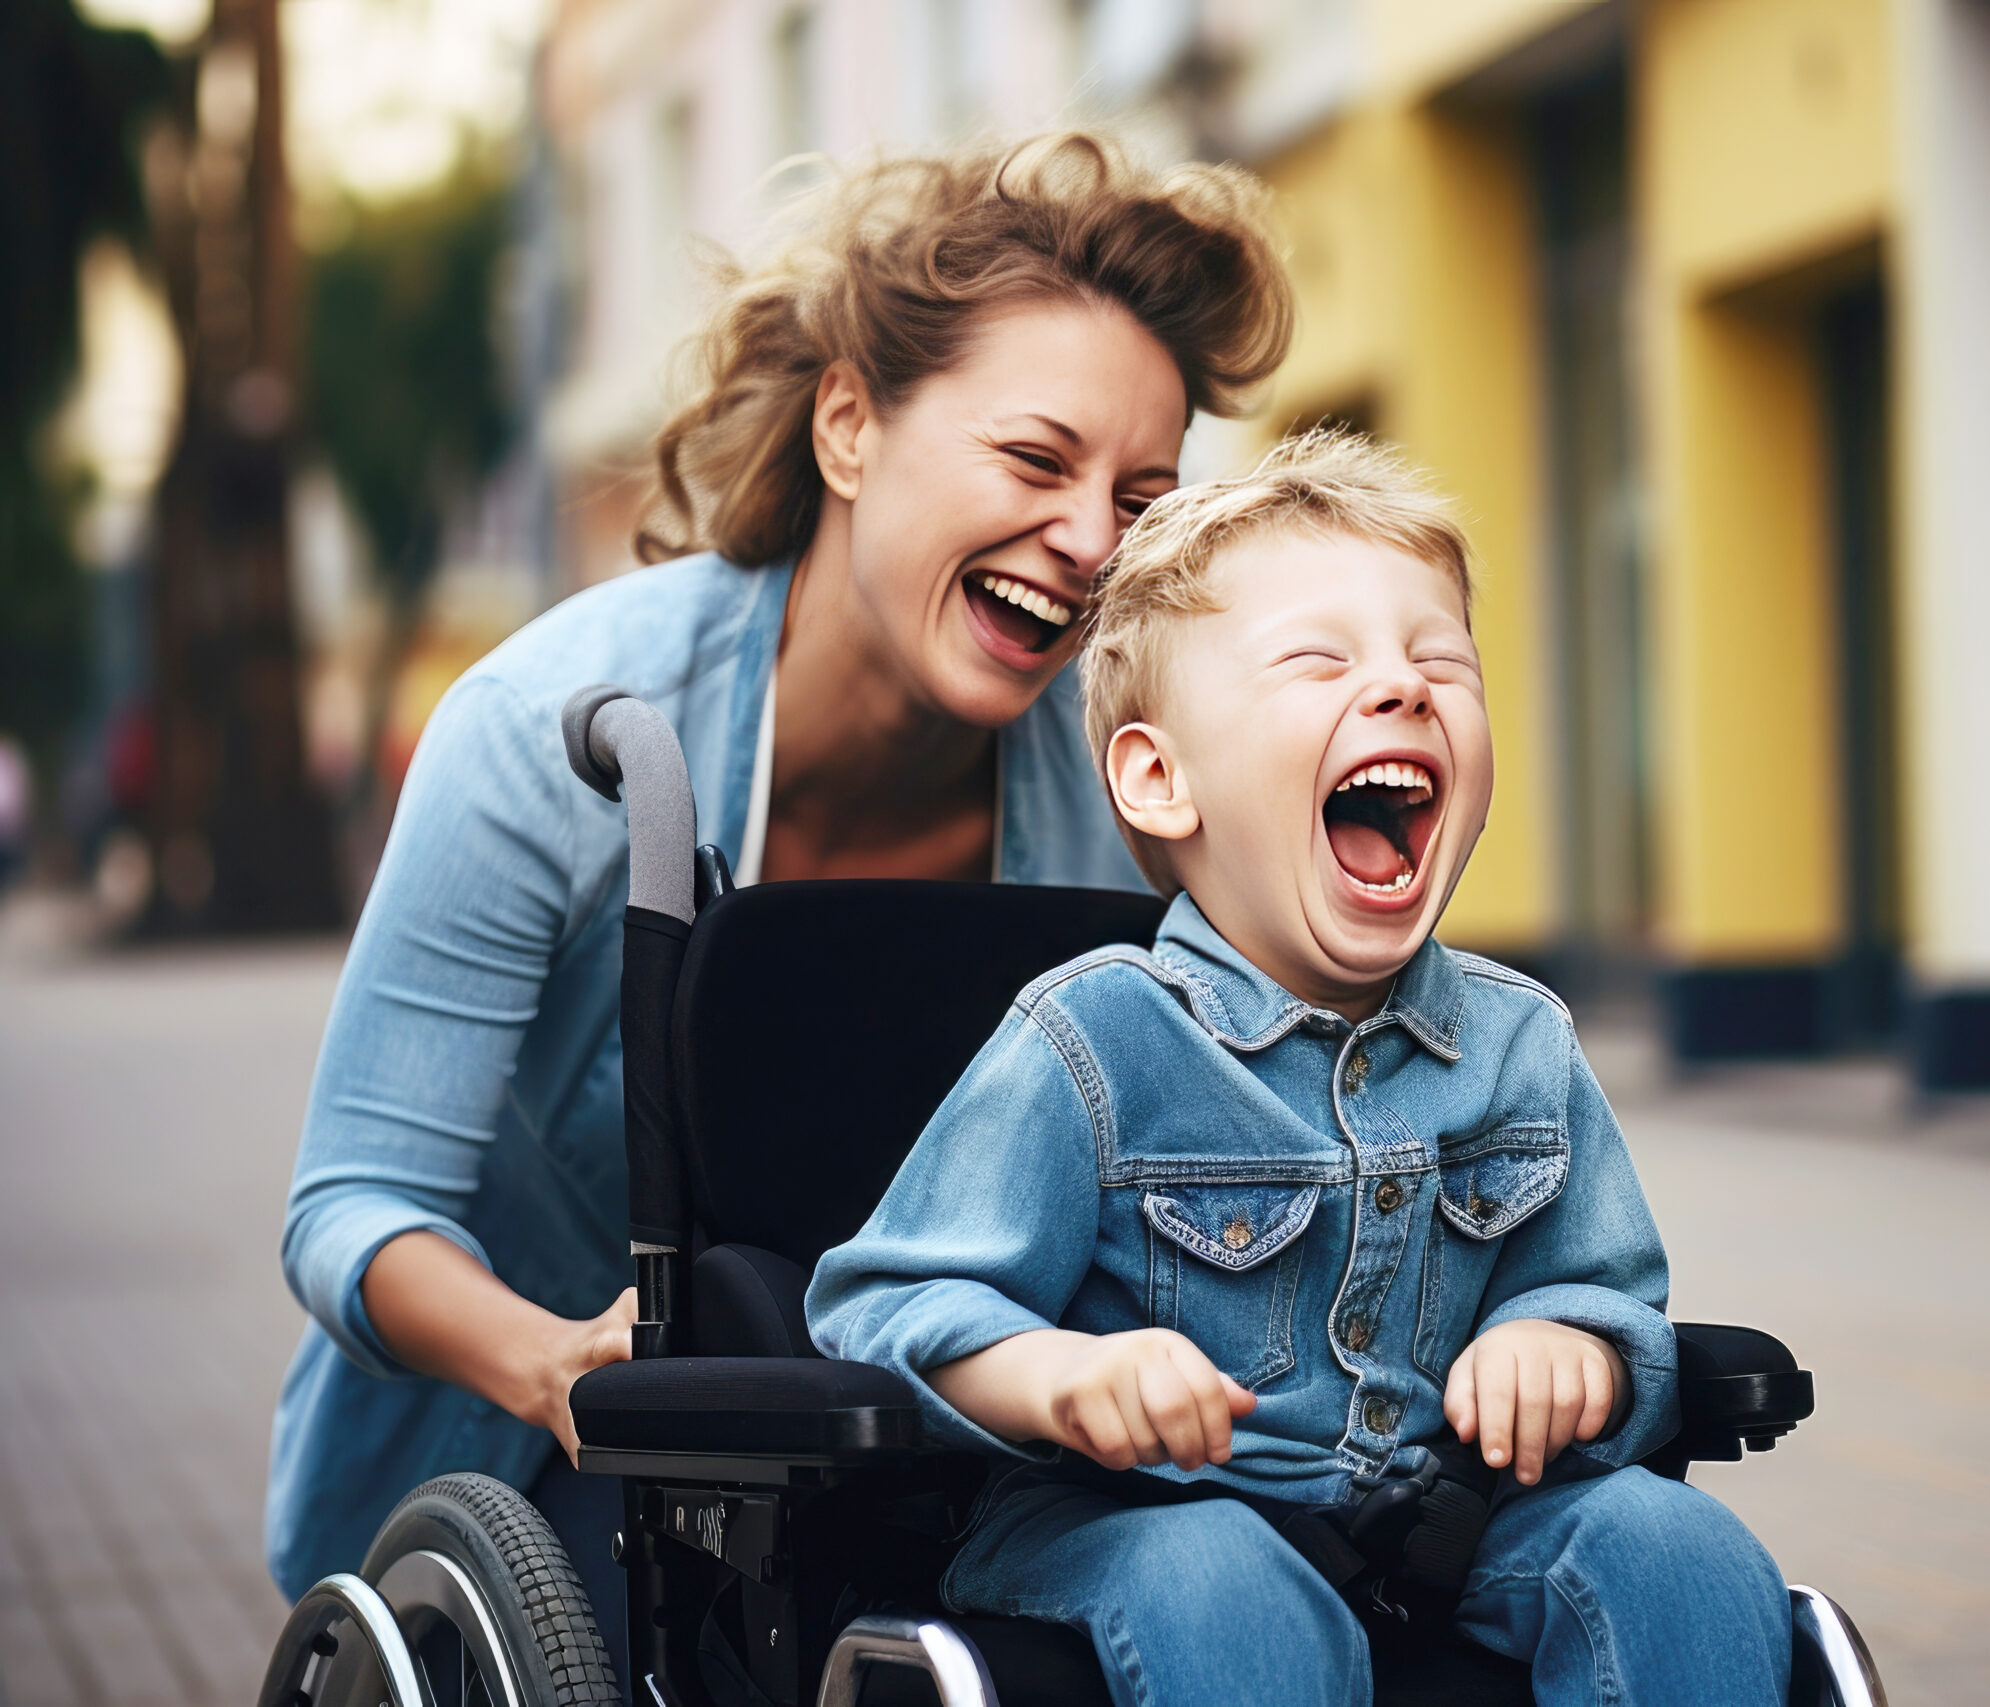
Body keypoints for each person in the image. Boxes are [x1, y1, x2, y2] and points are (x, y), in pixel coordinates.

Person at [266, 132, 1295, 1673]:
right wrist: (562, 1361)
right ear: (848, 427)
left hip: (920, 1440)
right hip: (545, 1446)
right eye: (1035, 461)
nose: (1091, 540)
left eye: (1140, 492)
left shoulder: (1113, 784)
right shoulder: (554, 734)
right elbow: (353, 1206)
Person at [808, 433, 1793, 1706]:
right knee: (1227, 1582)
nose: (1403, 688)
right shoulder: (1095, 1040)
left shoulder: (1520, 1042)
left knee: (1678, 1549)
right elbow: (886, 1309)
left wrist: (1570, 1346)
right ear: (1163, 781)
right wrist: (1064, 1377)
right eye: (1322, 662)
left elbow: (1606, 1292)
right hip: (1126, 1524)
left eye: (1439, 660)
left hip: (1453, 1524)